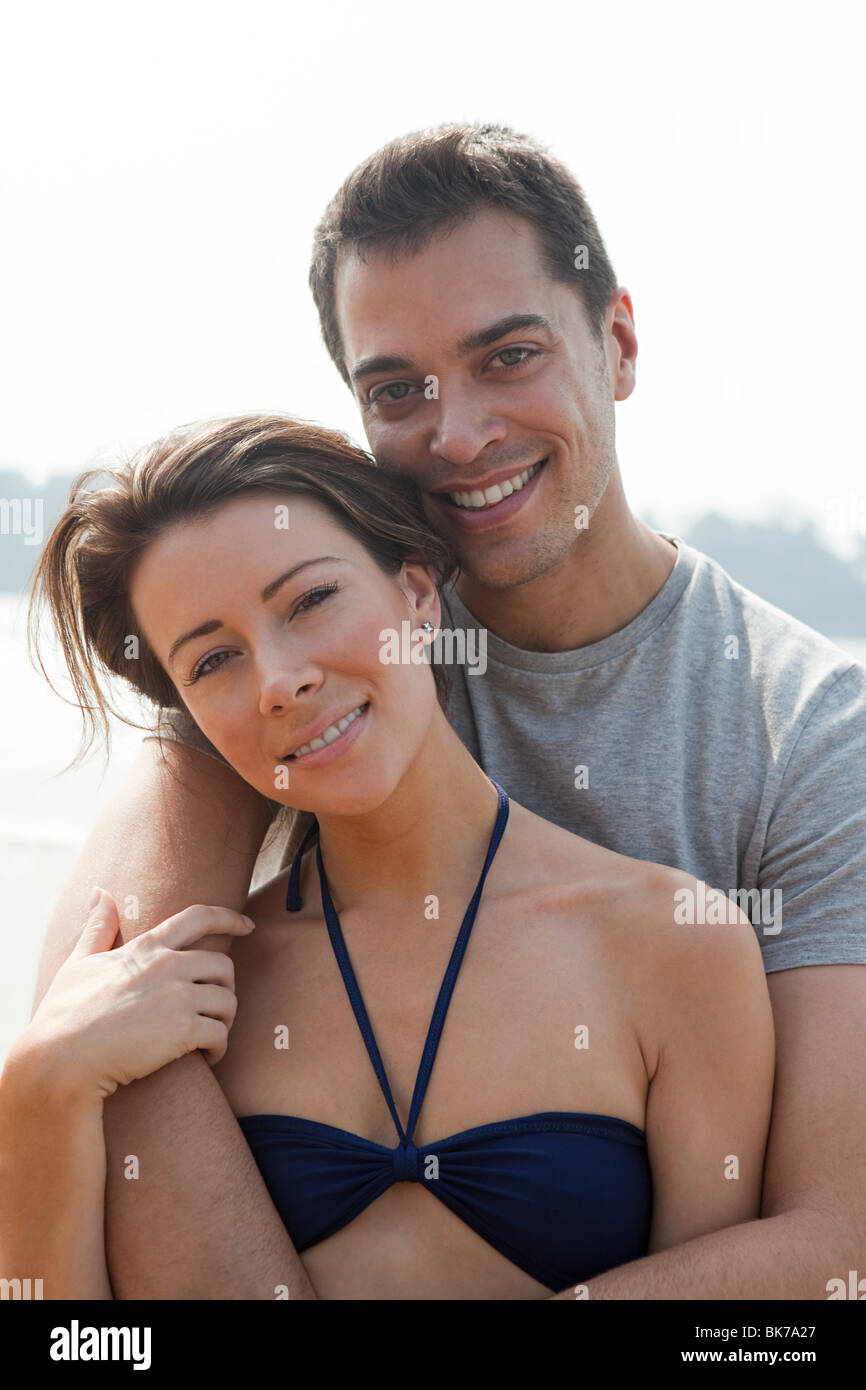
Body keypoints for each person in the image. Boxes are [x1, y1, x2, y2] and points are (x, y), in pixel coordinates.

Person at [28, 122, 866, 1300]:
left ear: (616, 343)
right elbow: (106, 1014)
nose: (456, 431)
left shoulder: (807, 733)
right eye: (396, 389)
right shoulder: (311, 650)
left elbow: (836, 1247)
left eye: (507, 356)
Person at [3, 415, 773, 1300]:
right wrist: (38, 1090)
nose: (279, 680)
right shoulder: (183, 994)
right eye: (214, 658)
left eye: (309, 601)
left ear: (416, 595)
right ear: (188, 713)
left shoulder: (678, 946)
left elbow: (734, 1336)